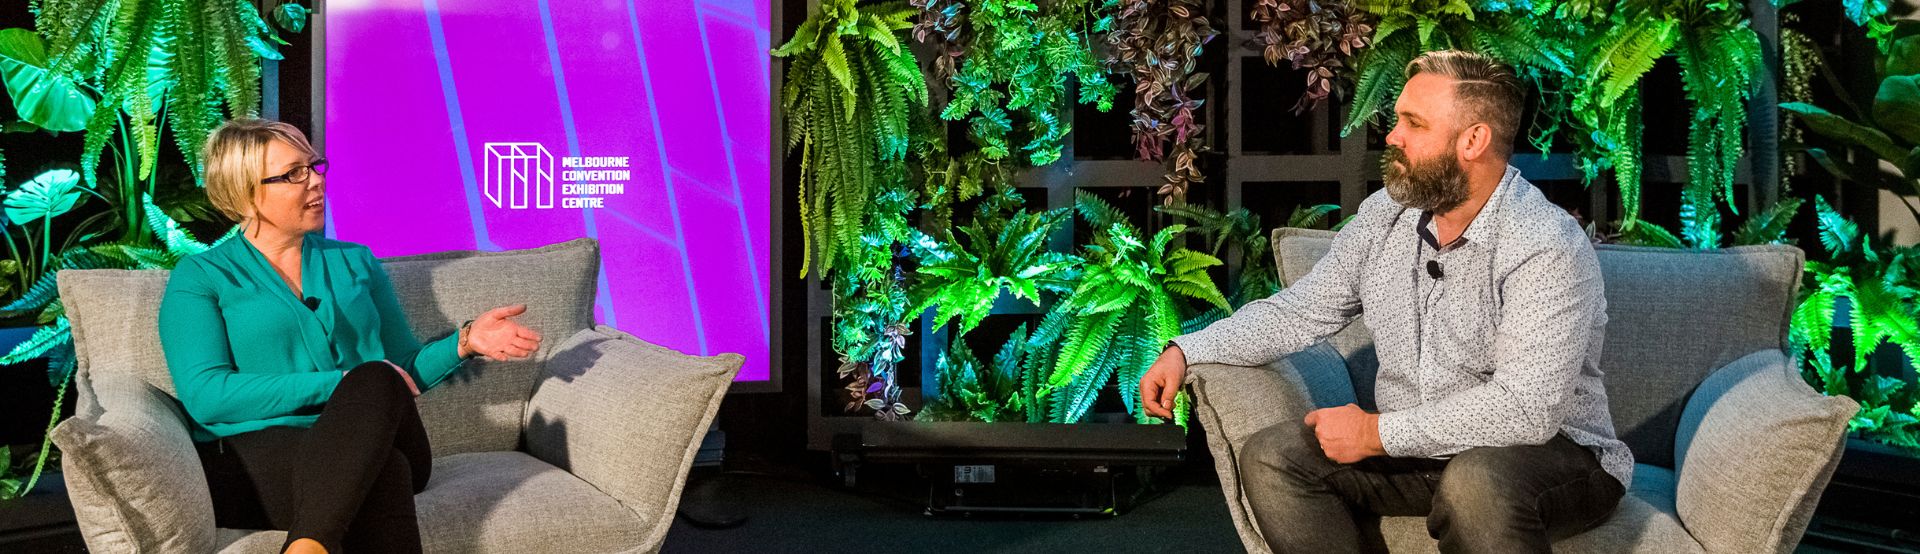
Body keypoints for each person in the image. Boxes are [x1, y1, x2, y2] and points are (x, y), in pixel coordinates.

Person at [1138, 50, 1632, 553]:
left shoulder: (1543, 243)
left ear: (1473, 140)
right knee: (1274, 455)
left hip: (1555, 457)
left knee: (1476, 481)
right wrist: (1186, 349)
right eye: (1397, 120)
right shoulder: (1385, 217)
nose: (1392, 136)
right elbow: (1300, 310)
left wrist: (1376, 434)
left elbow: (1526, 410)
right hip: (1419, 452)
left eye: (1412, 123)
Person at [159, 118, 543, 554]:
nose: (315, 183)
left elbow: (402, 371)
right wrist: (340, 383)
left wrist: (465, 342)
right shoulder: (202, 276)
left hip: (377, 433)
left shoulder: (356, 261)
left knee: (376, 377)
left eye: (314, 167)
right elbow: (207, 394)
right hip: (261, 453)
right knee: (385, 474)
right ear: (246, 192)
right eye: (293, 174)